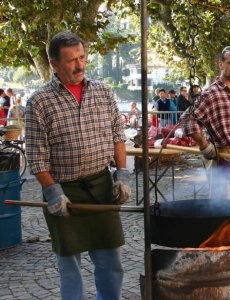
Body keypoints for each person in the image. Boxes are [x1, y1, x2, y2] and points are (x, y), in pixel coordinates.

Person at [24, 31, 130, 300]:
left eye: (82, 57)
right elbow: (36, 155)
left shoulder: (103, 92)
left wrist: (123, 173)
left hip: (101, 187)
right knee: (69, 266)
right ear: (54, 65)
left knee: (111, 262)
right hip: (64, 190)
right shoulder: (39, 101)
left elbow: (118, 135)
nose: (80, 65)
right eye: (71, 60)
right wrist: (52, 192)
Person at [180, 45, 230, 202]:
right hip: (222, 157)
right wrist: (204, 145)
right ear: (220, 64)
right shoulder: (210, 94)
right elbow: (187, 119)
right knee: (223, 209)